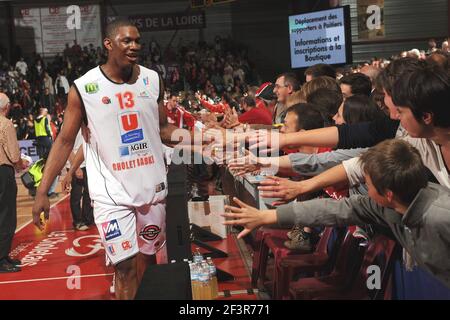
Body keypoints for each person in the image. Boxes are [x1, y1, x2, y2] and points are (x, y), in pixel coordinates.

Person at [32, 19, 199, 299]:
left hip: (151, 189)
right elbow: (63, 141)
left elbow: (162, 130)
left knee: (147, 258)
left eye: (137, 41)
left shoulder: (152, 79)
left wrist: (200, 138)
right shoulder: (84, 89)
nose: (134, 46)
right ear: (108, 44)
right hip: (111, 195)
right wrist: (41, 190)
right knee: (124, 267)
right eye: (127, 41)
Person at [223, 139, 450, 288]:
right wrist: (265, 217)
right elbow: (335, 210)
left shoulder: (442, 216)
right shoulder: (387, 206)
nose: (363, 188)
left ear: (388, 193)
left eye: (366, 183)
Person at [0, 93, 28, 273]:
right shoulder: (5, 123)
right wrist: (21, 164)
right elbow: (13, 154)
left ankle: (3, 256)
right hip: (3, 173)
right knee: (6, 216)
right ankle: (2, 259)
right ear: (6, 106)